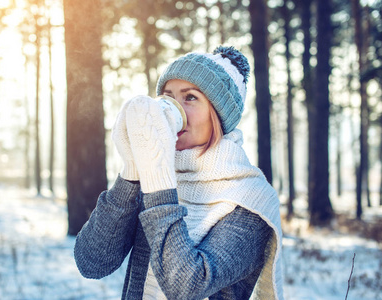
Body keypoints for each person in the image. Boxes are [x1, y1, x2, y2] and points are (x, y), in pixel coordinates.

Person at [74, 46, 284, 300]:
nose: (174, 109)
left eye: (191, 97)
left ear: (218, 113)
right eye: (167, 97)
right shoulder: (154, 176)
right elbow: (93, 262)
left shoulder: (250, 200)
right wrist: (131, 170)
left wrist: (158, 181)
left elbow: (186, 287)